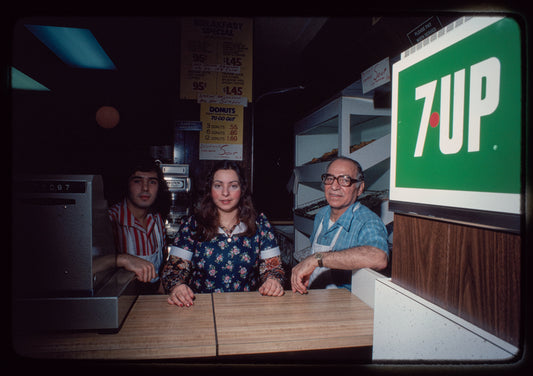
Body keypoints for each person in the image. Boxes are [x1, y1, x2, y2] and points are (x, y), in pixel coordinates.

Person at [162, 160, 285, 307]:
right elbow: (173, 270)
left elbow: (274, 268)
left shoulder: (260, 224)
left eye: (233, 186)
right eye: (218, 186)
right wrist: (177, 287)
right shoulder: (192, 225)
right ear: (210, 189)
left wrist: (273, 281)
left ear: (242, 189)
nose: (225, 193)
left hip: (247, 308)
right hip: (200, 309)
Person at [291, 156, 389, 294]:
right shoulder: (322, 214)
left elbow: (379, 257)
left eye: (344, 180)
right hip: (313, 295)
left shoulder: (367, 221)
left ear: (359, 188)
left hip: (342, 305)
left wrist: (316, 259)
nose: (334, 186)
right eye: (330, 178)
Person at [108, 158, 170, 294]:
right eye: (137, 181)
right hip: (121, 299)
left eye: (152, 182)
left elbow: (164, 258)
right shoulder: (110, 219)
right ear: (126, 184)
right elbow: (87, 266)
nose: (145, 188)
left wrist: (162, 284)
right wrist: (123, 259)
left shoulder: (156, 218)